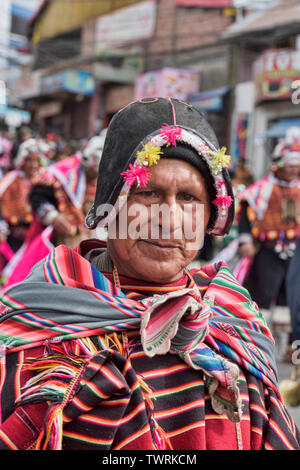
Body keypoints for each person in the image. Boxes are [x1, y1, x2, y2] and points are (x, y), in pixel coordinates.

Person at [0, 98, 299, 451]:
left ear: (208, 218)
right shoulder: (39, 327)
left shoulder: (233, 319)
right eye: (148, 193)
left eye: (188, 198)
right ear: (111, 205)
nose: (169, 218)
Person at [238, 128, 300, 338]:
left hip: (295, 253)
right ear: (279, 165)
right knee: (262, 295)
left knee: (290, 297)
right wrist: (245, 241)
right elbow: (246, 214)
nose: (293, 170)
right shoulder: (260, 190)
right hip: (268, 251)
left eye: (296, 166)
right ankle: (258, 337)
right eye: (289, 165)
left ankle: (287, 343)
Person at [29, 131, 106, 249]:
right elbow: (38, 196)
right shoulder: (61, 173)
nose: (94, 176)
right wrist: (53, 216)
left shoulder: (104, 177)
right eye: (92, 171)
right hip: (59, 240)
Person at [0, 138, 48, 270]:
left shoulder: (45, 179)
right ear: (22, 161)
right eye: (29, 161)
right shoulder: (12, 178)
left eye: (36, 161)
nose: (32, 165)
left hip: (37, 235)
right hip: (13, 235)